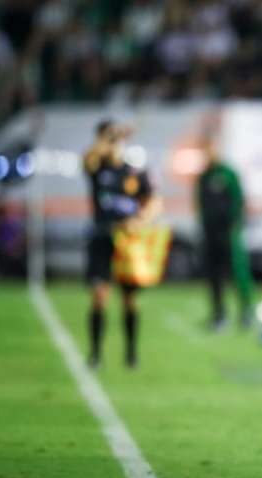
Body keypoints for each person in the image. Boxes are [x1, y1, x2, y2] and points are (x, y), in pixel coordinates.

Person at [84, 119, 158, 368]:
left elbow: (154, 201)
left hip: (127, 243)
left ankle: (131, 354)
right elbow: (90, 156)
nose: (115, 144)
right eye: (110, 139)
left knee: (129, 300)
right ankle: (95, 354)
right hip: (102, 237)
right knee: (99, 297)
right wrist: (109, 136)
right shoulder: (97, 167)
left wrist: (140, 220)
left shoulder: (132, 172)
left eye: (118, 140)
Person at [196, 137, 254, 330]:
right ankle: (219, 314)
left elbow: (238, 200)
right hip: (210, 234)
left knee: (238, 273)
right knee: (214, 276)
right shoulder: (203, 177)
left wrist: (235, 225)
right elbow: (201, 205)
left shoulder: (228, 174)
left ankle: (246, 312)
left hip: (229, 233)